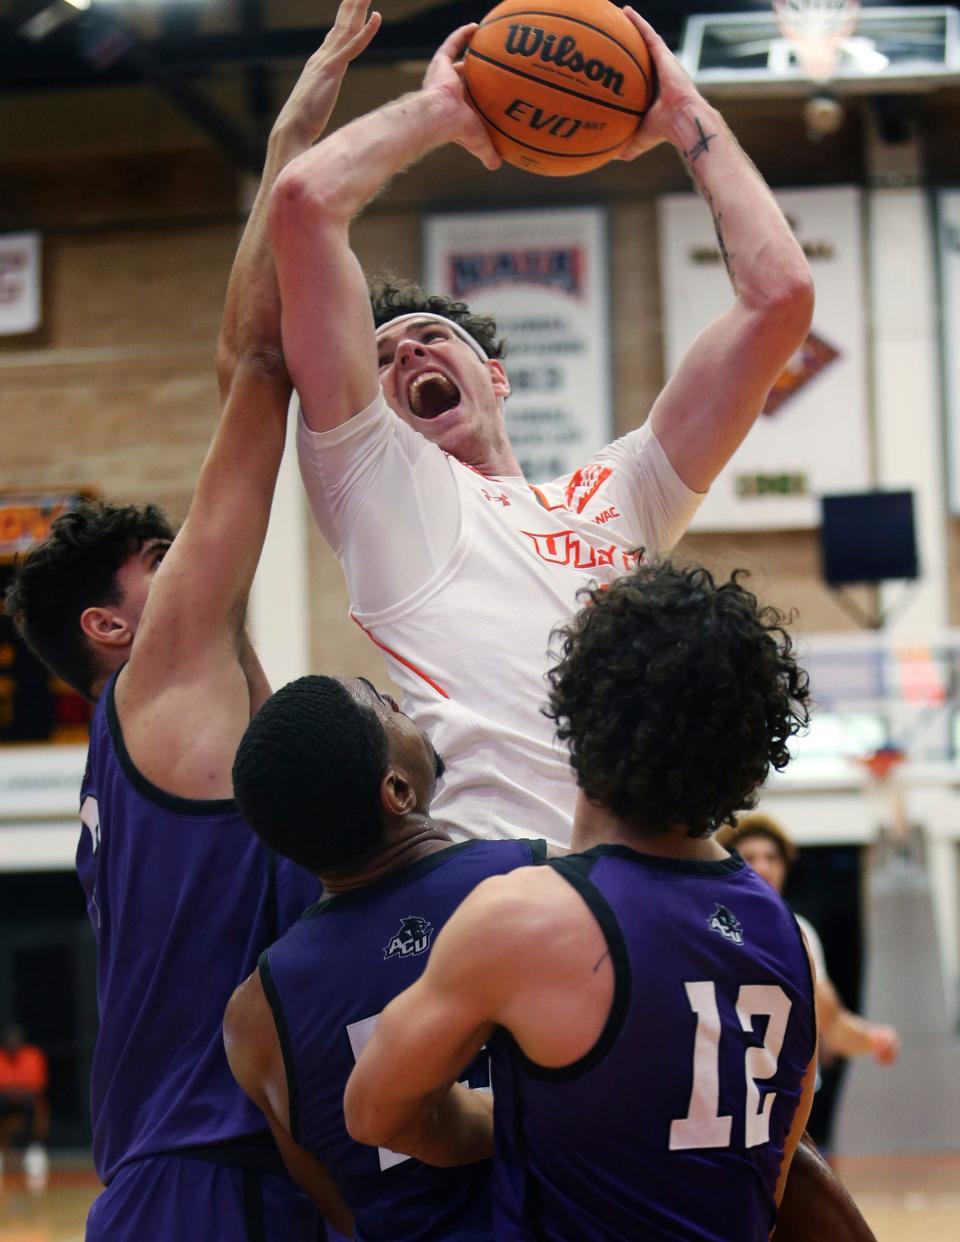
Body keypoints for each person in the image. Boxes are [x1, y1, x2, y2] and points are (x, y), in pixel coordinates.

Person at [2, 5, 379, 1237]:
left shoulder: (176, 722)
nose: (187, 563)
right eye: (154, 561)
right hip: (200, 1183)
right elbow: (254, 368)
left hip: (246, 1171)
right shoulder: (162, 676)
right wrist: (295, 142)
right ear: (112, 630)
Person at [270, 9, 815, 848]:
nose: (409, 349)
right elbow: (305, 203)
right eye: (382, 354)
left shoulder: (619, 491)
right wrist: (446, 112)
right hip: (507, 882)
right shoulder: (378, 487)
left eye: (430, 336)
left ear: (495, 378)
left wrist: (682, 113)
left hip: (654, 882)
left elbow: (780, 299)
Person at [345, 563, 819, 1240]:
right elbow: (773, 1171)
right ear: (750, 747)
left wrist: (507, 1120)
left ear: (579, 712)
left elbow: (372, 1115)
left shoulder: (525, 916)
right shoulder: (785, 934)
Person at [222, 673, 549, 1240]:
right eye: (382, 704)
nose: (399, 706)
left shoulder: (252, 1017)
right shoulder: (530, 877)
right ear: (397, 792)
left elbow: (337, 1207)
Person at [720, 813, 900, 1152]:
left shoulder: (799, 931)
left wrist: (870, 1039)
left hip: (787, 1103)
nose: (763, 866)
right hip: (726, 1102)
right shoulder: (710, 927)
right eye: (750, 857)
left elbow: (830, 1020)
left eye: (772, 857)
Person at [0, 1022, 50, 1189]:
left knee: (33, 1106)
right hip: (5, 1101)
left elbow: (37, 1085)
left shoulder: (32, 1056)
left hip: (27, 1101)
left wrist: (17, 1091)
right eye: (9, 1040)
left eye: (15, 1040)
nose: (12, 1043)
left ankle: (34, 1149)